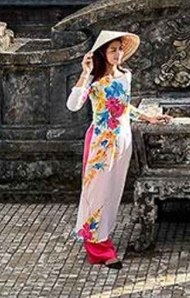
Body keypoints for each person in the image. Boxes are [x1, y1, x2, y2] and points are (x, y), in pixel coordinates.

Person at [67, 29, 168, 267]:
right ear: (103, 53)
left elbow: (124, 107)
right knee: (97, 192)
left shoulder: (125, 76)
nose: (117, 53)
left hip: (122, 138)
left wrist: (147, 117)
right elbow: (73, 105)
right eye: (112, 50)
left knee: (113, 192)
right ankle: (98, 248)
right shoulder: (94, 80)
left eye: (120, 49)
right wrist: (85, 73)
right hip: (101, 142)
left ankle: (105, 237)